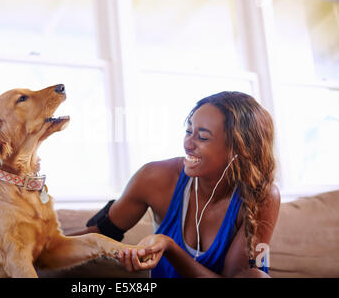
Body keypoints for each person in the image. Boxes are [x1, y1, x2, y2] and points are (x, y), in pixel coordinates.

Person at [71, 91, 280, 278]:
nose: (188, 144)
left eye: (203, 137)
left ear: (238, 149)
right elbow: (102, 232)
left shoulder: (261, 194)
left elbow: (238, 276)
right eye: (189, 132)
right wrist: (40, 244)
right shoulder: (155, 177)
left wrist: (170, 247)